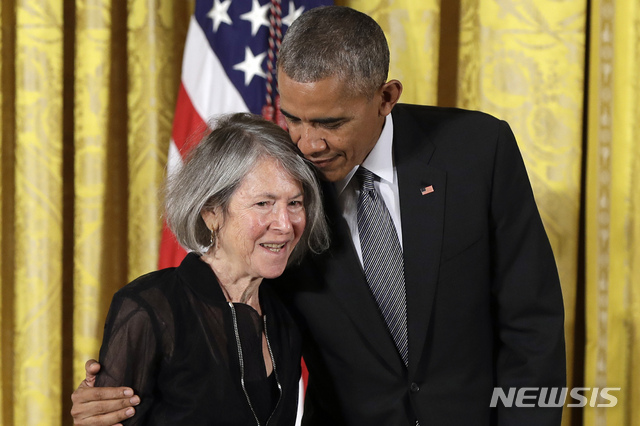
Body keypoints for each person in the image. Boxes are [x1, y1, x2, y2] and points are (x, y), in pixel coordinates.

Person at [72, 6, 566, 425]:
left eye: (330, 122)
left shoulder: (477, 150)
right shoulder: (286, 182)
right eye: (293, 118)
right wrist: (117, 393)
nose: (308, 143)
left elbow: (532, 321)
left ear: (385, 98)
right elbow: (220, 337)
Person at [71, 112, 329, 425]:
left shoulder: (286, 313)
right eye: (264, 203)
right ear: (211, 212)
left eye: (295, 203)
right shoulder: (149, 308)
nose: (285, 225)